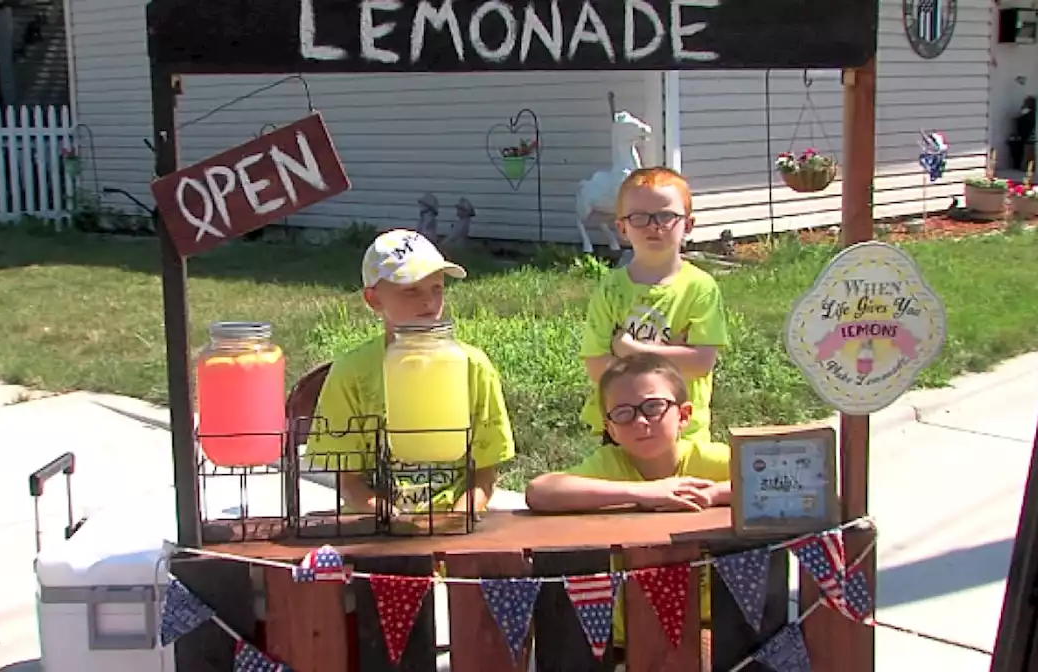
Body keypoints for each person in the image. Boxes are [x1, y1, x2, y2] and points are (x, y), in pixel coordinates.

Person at [525, 352, 730, 656]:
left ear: (684, 415)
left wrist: (714, 495)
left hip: (715, 628)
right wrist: (644, 493)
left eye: (654, 406)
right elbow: (540, 491)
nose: (640, 421)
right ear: (611, 429)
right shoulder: (609, 463)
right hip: (622, 636)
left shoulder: (710, 459)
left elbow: (788, 482)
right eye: (624, 413)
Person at [304, 229, 515, 515]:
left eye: (437, 288)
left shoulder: (473, 367)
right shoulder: (351, 373)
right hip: (373, 526)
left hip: (455, 522)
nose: (428, 302)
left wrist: (458, 517)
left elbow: (485, 473)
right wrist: (387, 517)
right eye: (411, 290)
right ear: (374, 300)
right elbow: (348, 481)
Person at [579, 166, 730, 445]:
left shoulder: (700, 288)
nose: (653, 226)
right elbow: (596, 364)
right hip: (620, 424)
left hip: (682, 428)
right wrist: (672, 355)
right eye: (639, 217)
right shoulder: (610, 289)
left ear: (688, 224)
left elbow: (701, 362)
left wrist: (633, 351)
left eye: (666, 216)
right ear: (622, 228)